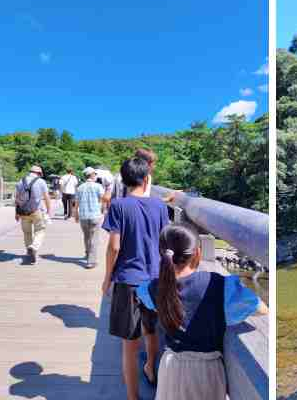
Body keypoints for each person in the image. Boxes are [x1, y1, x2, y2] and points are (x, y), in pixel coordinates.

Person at [136, 224, 268, 400]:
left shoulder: (152, 288)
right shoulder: (220, 285)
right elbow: (261, 309)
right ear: (197, 253)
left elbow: (145, 296)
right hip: (206, 371)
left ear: (162, 254)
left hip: (171, 367)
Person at [101, 157, 168, 400]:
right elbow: (164, 242)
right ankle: (151, 367)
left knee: (129, 345)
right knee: (152, 332)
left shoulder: (119, 205)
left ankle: (133, 397)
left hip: (128, 281)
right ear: (147, 178)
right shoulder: (160, 206)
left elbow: (114, 247)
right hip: (155, 279)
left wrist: (107, 278)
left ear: (124, 179)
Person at [15, 165, 53, 265]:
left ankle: (29, 250)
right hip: (37, 211)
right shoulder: (41, 182)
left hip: (23, 212)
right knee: (40, 231)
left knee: (27, 233)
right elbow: (47, 198)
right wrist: (49, 211)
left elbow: (17, 199)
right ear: (39, 173)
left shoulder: (20, 181)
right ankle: (34, 247)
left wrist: (16, 213)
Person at [73, 167, 106, 269]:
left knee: (87, 237)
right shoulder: (98, 186)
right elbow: (103, 200)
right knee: (94, 238)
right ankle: (91, 261)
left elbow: (76, 203)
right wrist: (103, 211)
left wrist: (76, 215)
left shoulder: (80, 187)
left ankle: (88, 254)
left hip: (83, 216)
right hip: (95, 215)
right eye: (95, 174)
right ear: (92, 175)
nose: (96, 176)